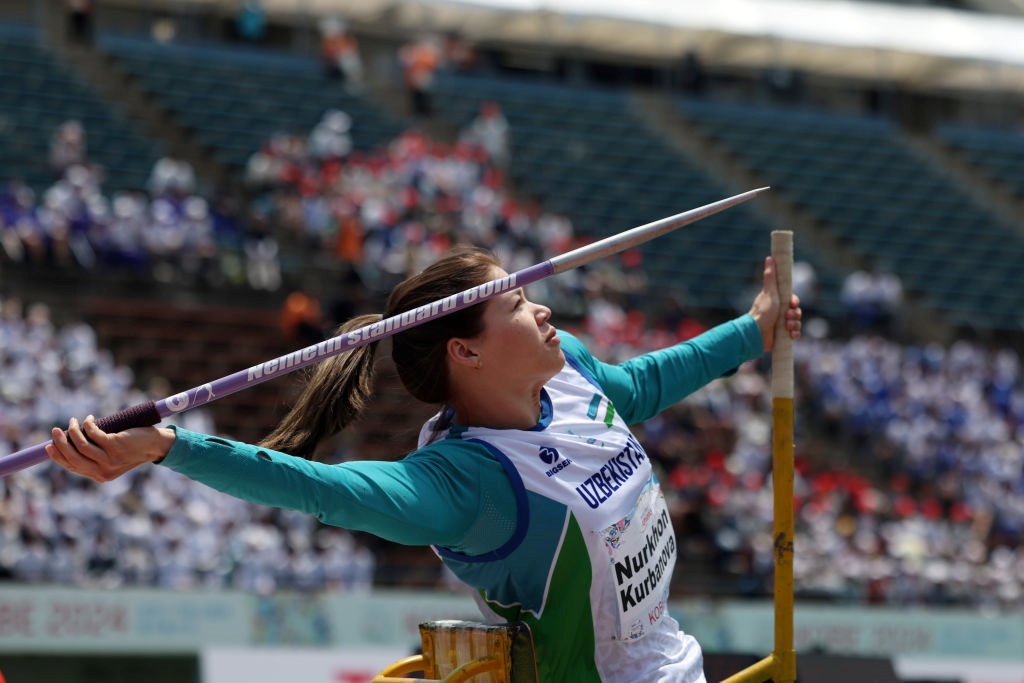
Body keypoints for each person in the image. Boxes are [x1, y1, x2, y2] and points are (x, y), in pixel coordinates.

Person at [46, 245, 801, 683]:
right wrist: (170, 446)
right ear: (464, 350)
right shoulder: (467, 484)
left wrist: (754, 328)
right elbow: (322, 488)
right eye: (515, 304)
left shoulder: (566, 366)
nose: (543, 309)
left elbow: (646, 381)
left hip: (679, 664)